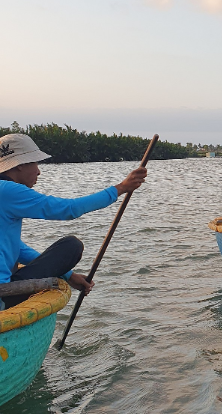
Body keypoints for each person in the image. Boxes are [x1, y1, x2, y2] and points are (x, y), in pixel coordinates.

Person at [0, 133, 147, 310]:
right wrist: (121, 188)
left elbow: (17, 247)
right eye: (35, 163)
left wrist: (68, 275)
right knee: (71, 246)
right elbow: (69, 209)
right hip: (3, 294)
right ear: (19, 165)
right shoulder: (7, 190)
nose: (38, 171)